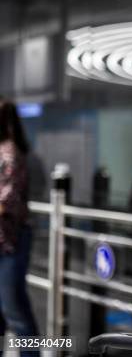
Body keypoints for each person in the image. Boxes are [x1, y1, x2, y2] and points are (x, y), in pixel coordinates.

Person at [0, 96, 39, 356]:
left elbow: (7, 201)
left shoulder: (9, 152)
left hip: (11, 240)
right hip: (5, 240)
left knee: (14, 309)